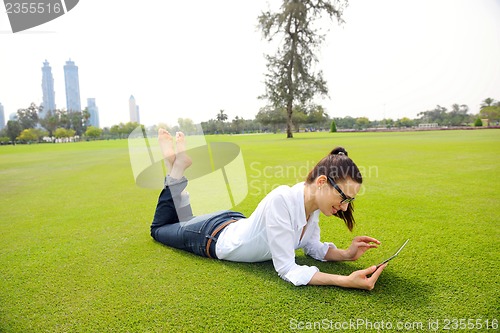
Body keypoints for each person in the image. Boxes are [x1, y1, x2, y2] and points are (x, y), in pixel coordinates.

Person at [150, 129, 387, 290]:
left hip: (232, 222)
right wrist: (345, 280)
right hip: (212, 236)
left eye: (349, 201)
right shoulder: (282, 199)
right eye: (343, 197)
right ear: (322, 182)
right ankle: (177, 168)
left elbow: (312, 247)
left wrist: (347, 254)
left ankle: (176, 169)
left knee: (184, 219)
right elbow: (286, 268)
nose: (344, 207)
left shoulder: (313, 206)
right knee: (160, 229)